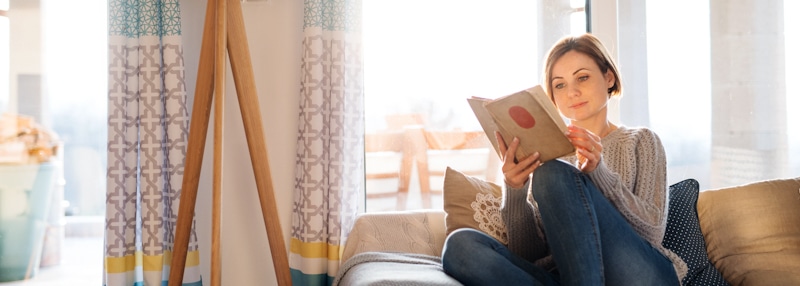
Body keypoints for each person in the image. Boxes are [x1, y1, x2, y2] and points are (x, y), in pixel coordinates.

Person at [441, 33, 688, 285]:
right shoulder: (544, 155)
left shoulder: (642, 141)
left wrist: (597, 173)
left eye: (583, 77)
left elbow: (652, 232)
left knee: (553, 174)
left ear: (609, 77)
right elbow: (530, 255)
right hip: (567, 276)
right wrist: (516, 190)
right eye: (560, 85)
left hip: (641, 274)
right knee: (460, 246)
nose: (573, 92)